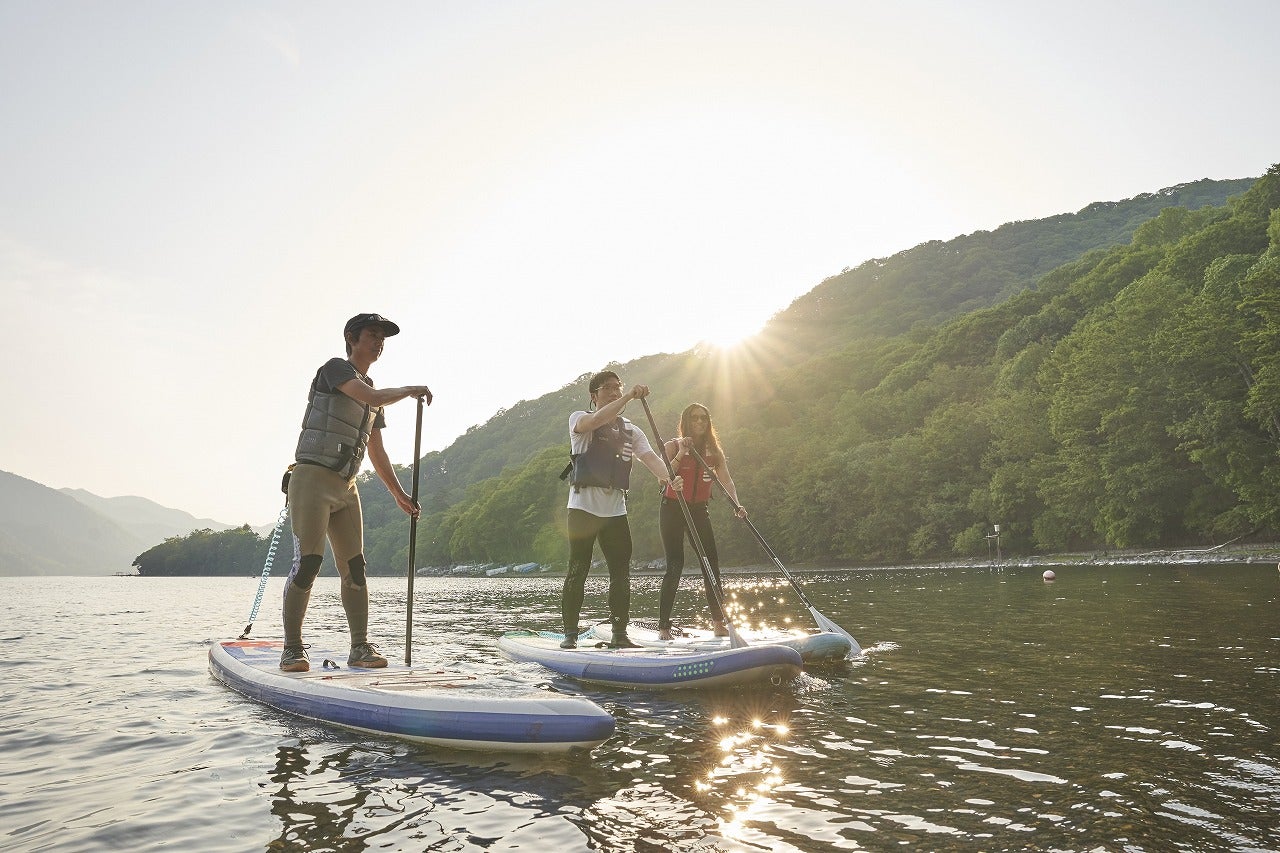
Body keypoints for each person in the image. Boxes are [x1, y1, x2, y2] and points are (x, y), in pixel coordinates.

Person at [279, 313, 433, 673]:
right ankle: (292, 648)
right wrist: (410, 390)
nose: (379, 343)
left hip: (347, 487)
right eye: (372, 335)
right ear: (352, 338)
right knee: (308, 563)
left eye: (383, 339)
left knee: (355, 568)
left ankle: (360, 648)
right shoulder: (335, 369)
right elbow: (372, 396)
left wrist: (398, 494)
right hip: (312, 479)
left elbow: (376, 449)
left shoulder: (373, 389)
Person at [560, 370, 682, 649]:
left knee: (620, 572)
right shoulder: (579, 418)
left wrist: (669, 478)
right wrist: (627, 396)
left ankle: (619, 633)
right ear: (594, 396)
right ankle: (570, 634)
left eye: (618, 387)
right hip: (582, 508)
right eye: (608, 388)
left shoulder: (631, 431)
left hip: (615, 511)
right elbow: (597, 420)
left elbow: (650, 459)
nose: (615, 391)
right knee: (578, 569)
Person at [656, 403, 746, 641]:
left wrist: (736, 505)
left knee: (711, 564)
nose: (699, 422)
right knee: (675, 564)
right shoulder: (672, 445)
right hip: (673, 509)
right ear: (686, 421)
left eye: (704, 418)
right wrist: (682, 452)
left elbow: (726, 481)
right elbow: (662, 477)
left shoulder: (714, 451)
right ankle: (663, 627)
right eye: (694, 418)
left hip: (698, 510)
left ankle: (718, 623)